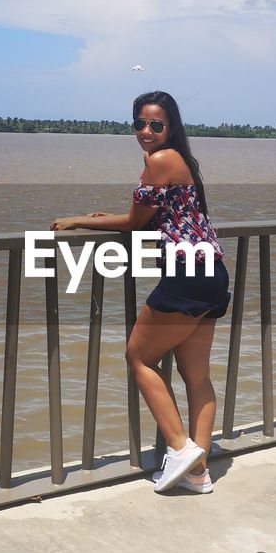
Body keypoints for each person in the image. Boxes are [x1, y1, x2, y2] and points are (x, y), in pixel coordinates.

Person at [51, 91, 231, 493]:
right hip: (212, 272)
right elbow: (155, 220)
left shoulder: (160, 160)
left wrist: (80, 220)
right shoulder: (181, 161)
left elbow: (135, 223)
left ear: (171, 128)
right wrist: (108, 219)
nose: (146, 132)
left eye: (156, 125)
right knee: (197, 376)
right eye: (139, 124)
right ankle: (198, 472)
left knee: (138, 357)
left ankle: (180, 447)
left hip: (185, 276)